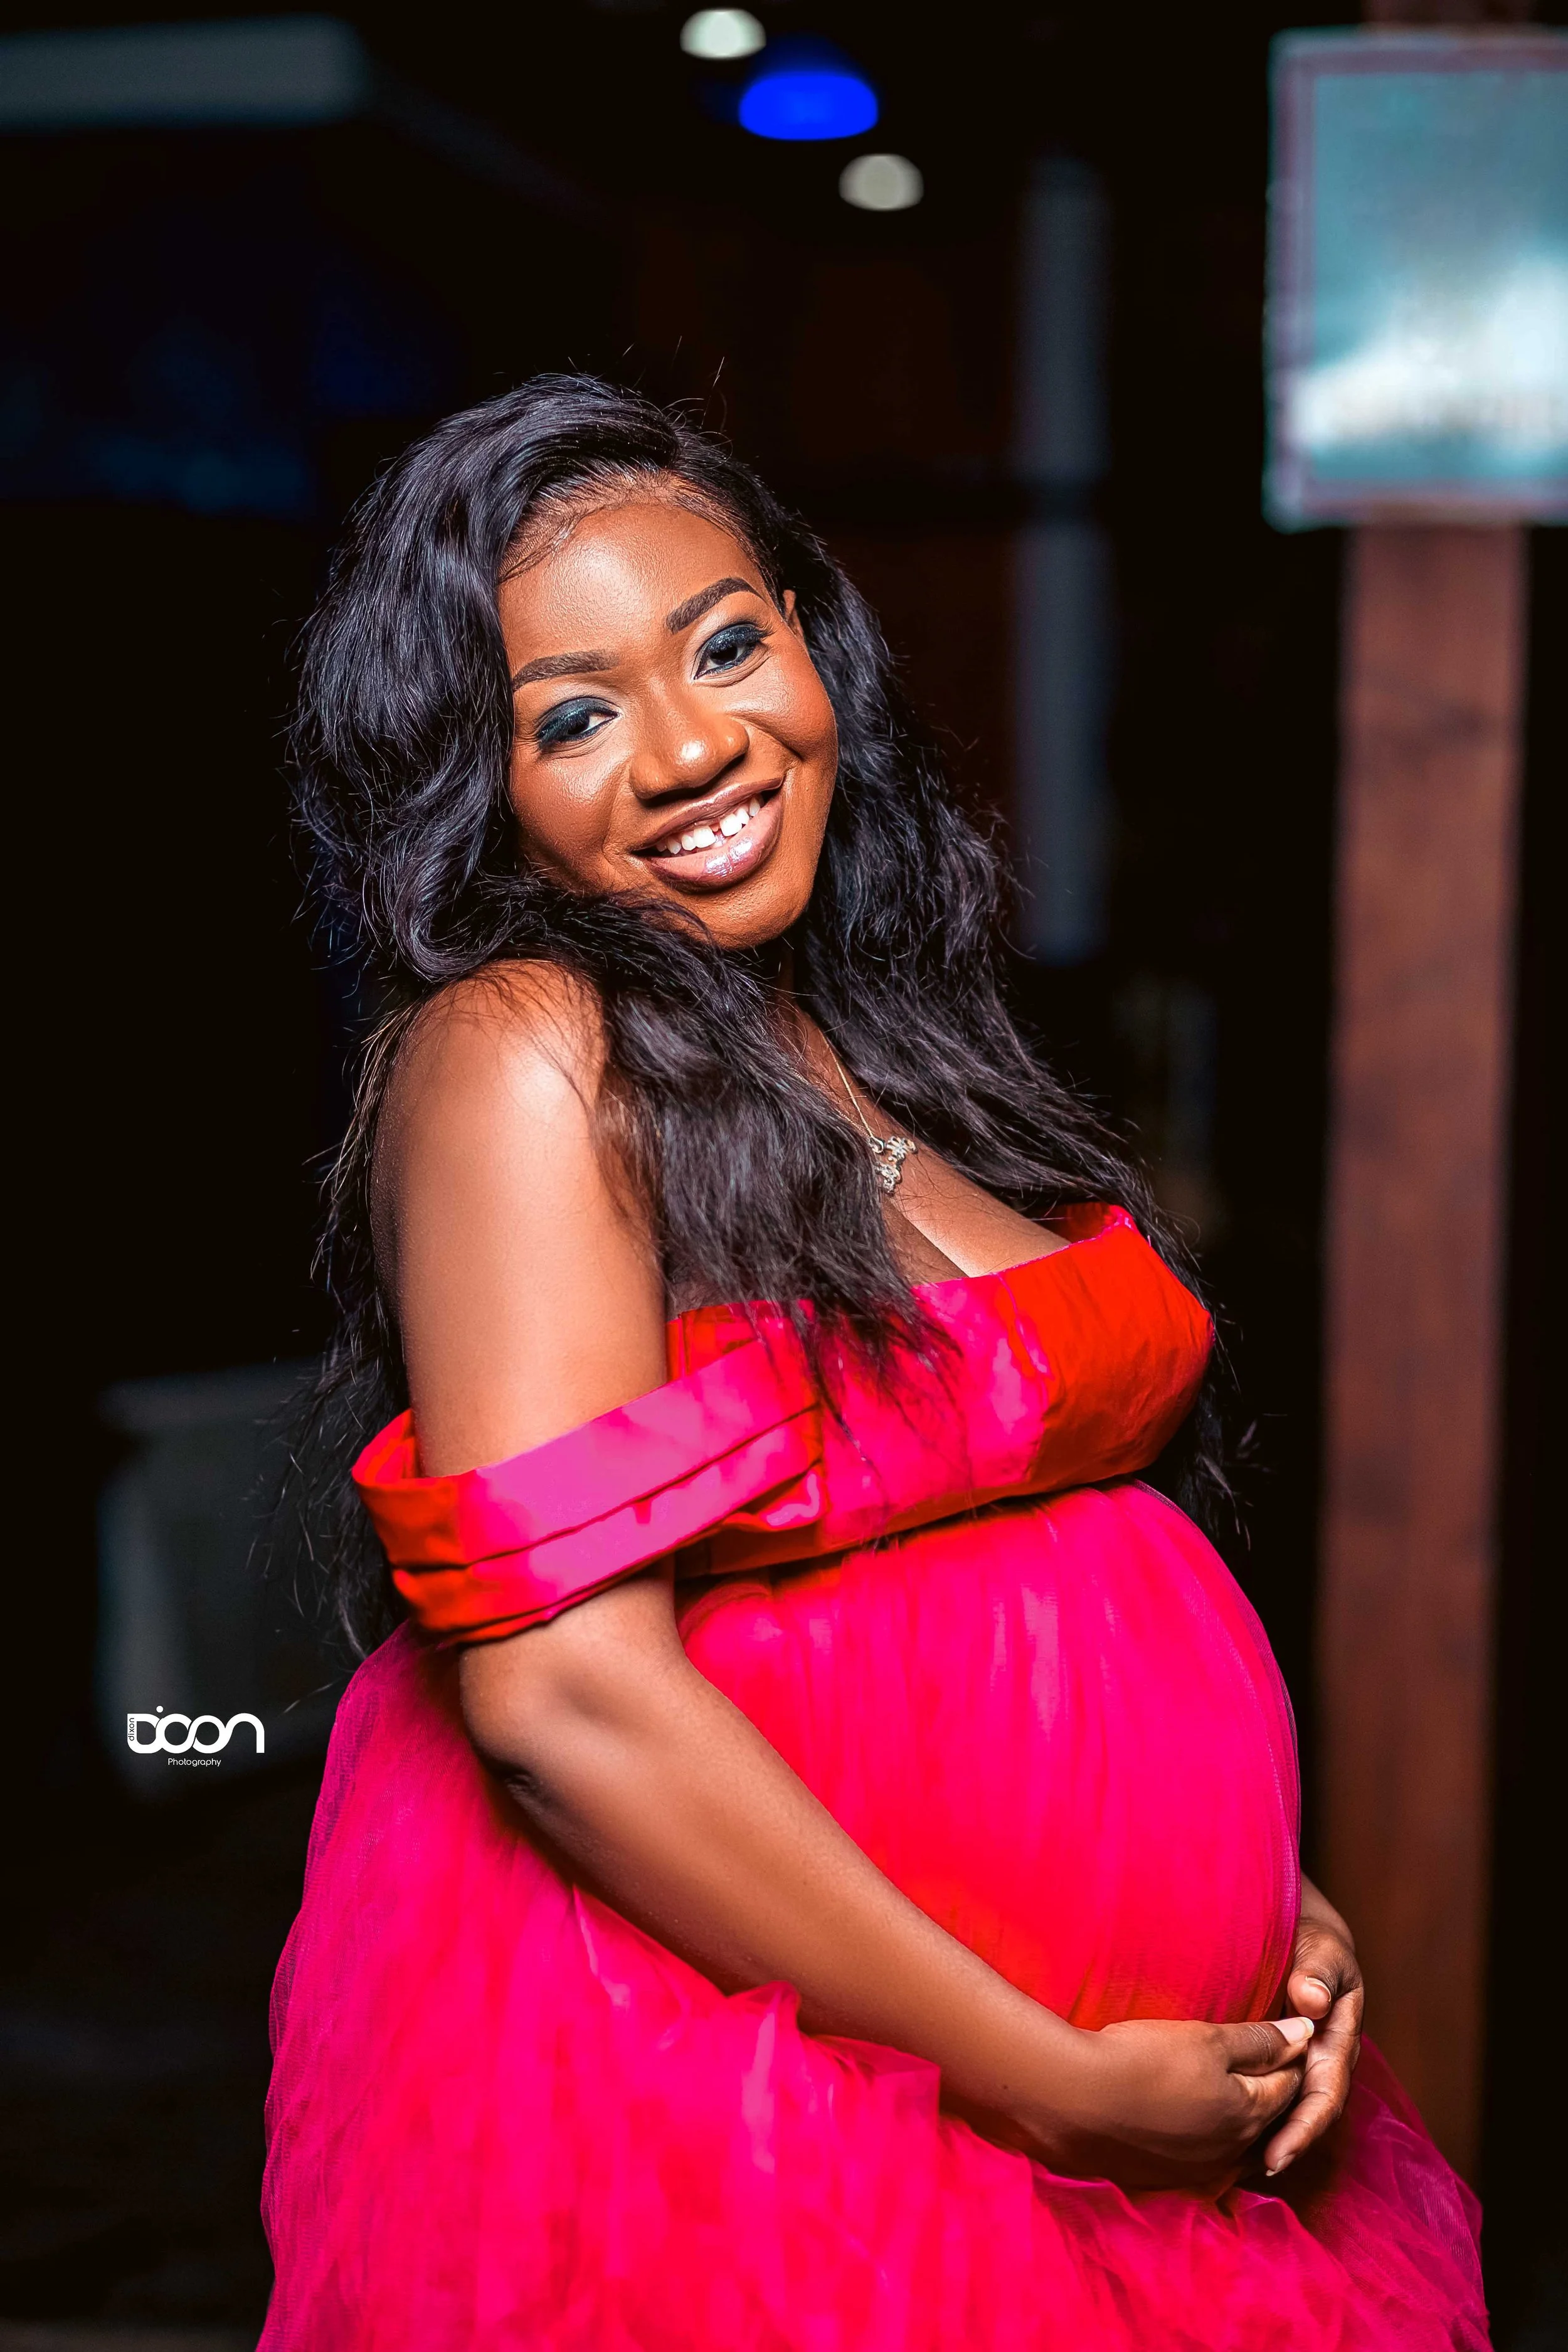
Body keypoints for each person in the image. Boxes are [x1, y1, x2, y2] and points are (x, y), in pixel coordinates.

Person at [260, 378, 1486, 2350]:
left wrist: (1269, 1905)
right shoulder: (529, 1050)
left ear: (810, 635)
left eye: (723, 645)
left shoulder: (873, 1031)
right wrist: (1038, 2073)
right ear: (474, 792)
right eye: (570, 718)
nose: (691, 748)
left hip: (1121, 2099)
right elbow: (562, 1694)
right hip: (792, 2112)